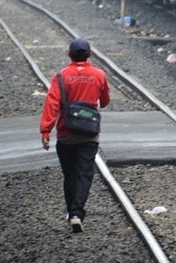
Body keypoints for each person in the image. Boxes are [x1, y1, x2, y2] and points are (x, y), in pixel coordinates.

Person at [39, 37, 111, 233]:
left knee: (69, 174)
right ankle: (76, 213)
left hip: (66, 133)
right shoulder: (99, 75)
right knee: (84, 174)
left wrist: (46, 131)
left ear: (69, 55)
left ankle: (72, 212)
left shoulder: (61, 76)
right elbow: (104, 101)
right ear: (90, 54)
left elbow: (52, 104)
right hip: (89, 134)